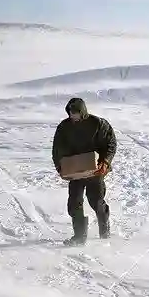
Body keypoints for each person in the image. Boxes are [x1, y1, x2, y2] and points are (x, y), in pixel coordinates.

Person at [52, 97, 117, 245]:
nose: (73, 116)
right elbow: (57, 148)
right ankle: (79, 237)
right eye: (71, 113)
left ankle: (104, 228)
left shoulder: (98, 124)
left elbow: (111, 143)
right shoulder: (64, 127)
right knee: (74, 203)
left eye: (76, 113)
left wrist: (105, 161)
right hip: (75, 171)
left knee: (96, 201)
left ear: (83, 112)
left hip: (95, 170)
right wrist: (60, 166)